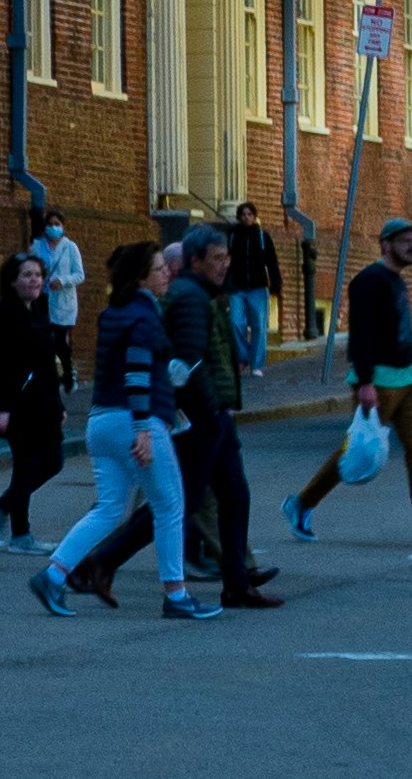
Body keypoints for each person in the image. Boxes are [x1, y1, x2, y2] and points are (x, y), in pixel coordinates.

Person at [65, 227, 278, 608]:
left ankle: (236, 581)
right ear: (195, 262)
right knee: (180, 501)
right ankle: (103, 565)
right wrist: (205, 409)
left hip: (204, 414)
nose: (224, 264)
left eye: (226, 257)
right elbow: (187, 362)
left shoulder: (200, 295)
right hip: (199, 416)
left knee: (228, 495)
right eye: (217, 258)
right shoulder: (190, 298)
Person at [30, 240, 219, 622]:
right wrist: (144, 429)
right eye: (158, 268)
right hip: (135, 420)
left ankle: (53, 574)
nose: (167, 272)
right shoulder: (144, 316)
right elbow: (135, 372)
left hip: (102, 420)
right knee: (169, 504)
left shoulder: (116, 312)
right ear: (140, 278)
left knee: (110, 507)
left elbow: (130, 369)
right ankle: (176, 594)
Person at [282, 215, 412, 547]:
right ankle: (301, 502)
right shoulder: (369, 280)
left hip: (408, 378)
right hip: (379, 380)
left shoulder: (397, 279)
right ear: (386, 244)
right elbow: (360, 335)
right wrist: (364, 382)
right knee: (356, 451)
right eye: (405, 240)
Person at [0, 250, 67, 545]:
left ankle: (2, 506)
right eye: (27, 275)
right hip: (19, 406)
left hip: (45, 404)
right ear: (12, 281)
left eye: (38, 275)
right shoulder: (4, 315)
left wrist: (59, 404)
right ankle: (21, 534)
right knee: (26, 467)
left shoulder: (39, 310)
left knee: (54, 461)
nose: (34, 280)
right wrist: (2, 409)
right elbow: (1, 366)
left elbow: (47, 364)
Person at [227, 200, 284, 378]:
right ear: (238, 217)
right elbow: (225, 262)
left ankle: (257, 364)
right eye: (243, 214)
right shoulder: (232, 235)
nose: (246, 217)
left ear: (254, 216)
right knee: (236, 322)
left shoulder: (262, 236)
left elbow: (271, 261)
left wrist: (275, 283)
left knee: (259, 326)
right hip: (237, 287)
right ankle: (242, 356)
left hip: (258, 287)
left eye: (249, 214)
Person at [35, 207, 86, 393]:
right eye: (50, 224)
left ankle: (67, 371)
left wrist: (63, 281)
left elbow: (80, 274)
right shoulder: (38, 246)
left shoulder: (70, 247)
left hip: (63, 301)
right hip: (42, 298)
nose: (53, 227)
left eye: (57, 224)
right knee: (44, 338)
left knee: (59, 339)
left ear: (63, 226)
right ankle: (49, 374)